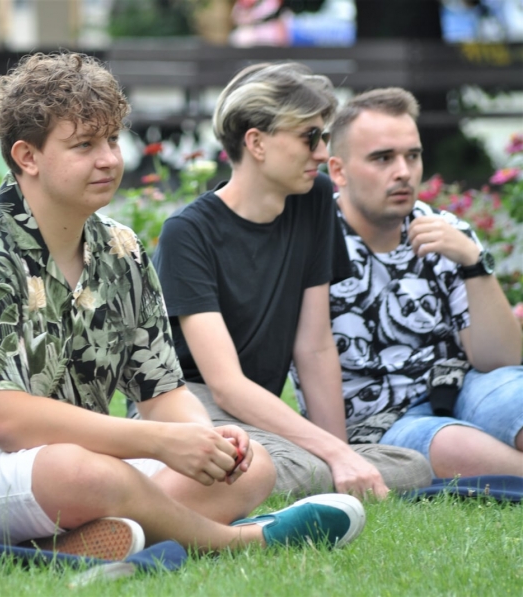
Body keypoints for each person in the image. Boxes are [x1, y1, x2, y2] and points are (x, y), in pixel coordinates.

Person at [0, 52, 366, 559]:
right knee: (82, 471)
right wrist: (159, 442)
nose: (109, 159)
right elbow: (9, 422)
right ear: (27, 157)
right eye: (84, 145)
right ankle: (239, 540)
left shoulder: (121, 249)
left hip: (68, 471)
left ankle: (72, 543)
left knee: (252, 464)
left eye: (112, 140)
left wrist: (205, 441)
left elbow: (162, 392)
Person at [149, 62, 432, 500]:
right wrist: (334, 456)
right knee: (302, 467)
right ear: (256, 142)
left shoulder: (313, 199)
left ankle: (234, 481)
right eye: (309, 137)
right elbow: (225, 384)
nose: (321, 152)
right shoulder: (187, 232)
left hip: (255, 416)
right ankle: (156, 482)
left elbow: (314, 347)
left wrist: (344, 456)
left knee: (412, 467)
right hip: (189, 406)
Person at [299, 87, 523, 477]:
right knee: (454, 445)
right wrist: (338, 456)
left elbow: (501, 362)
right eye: (383, 158)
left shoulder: (446, 231)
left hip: (462, 385)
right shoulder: (311, 245)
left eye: (412, 156)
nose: (403, 171)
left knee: (515, 399)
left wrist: (474, 263)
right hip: (377, 421)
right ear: (338, 171)